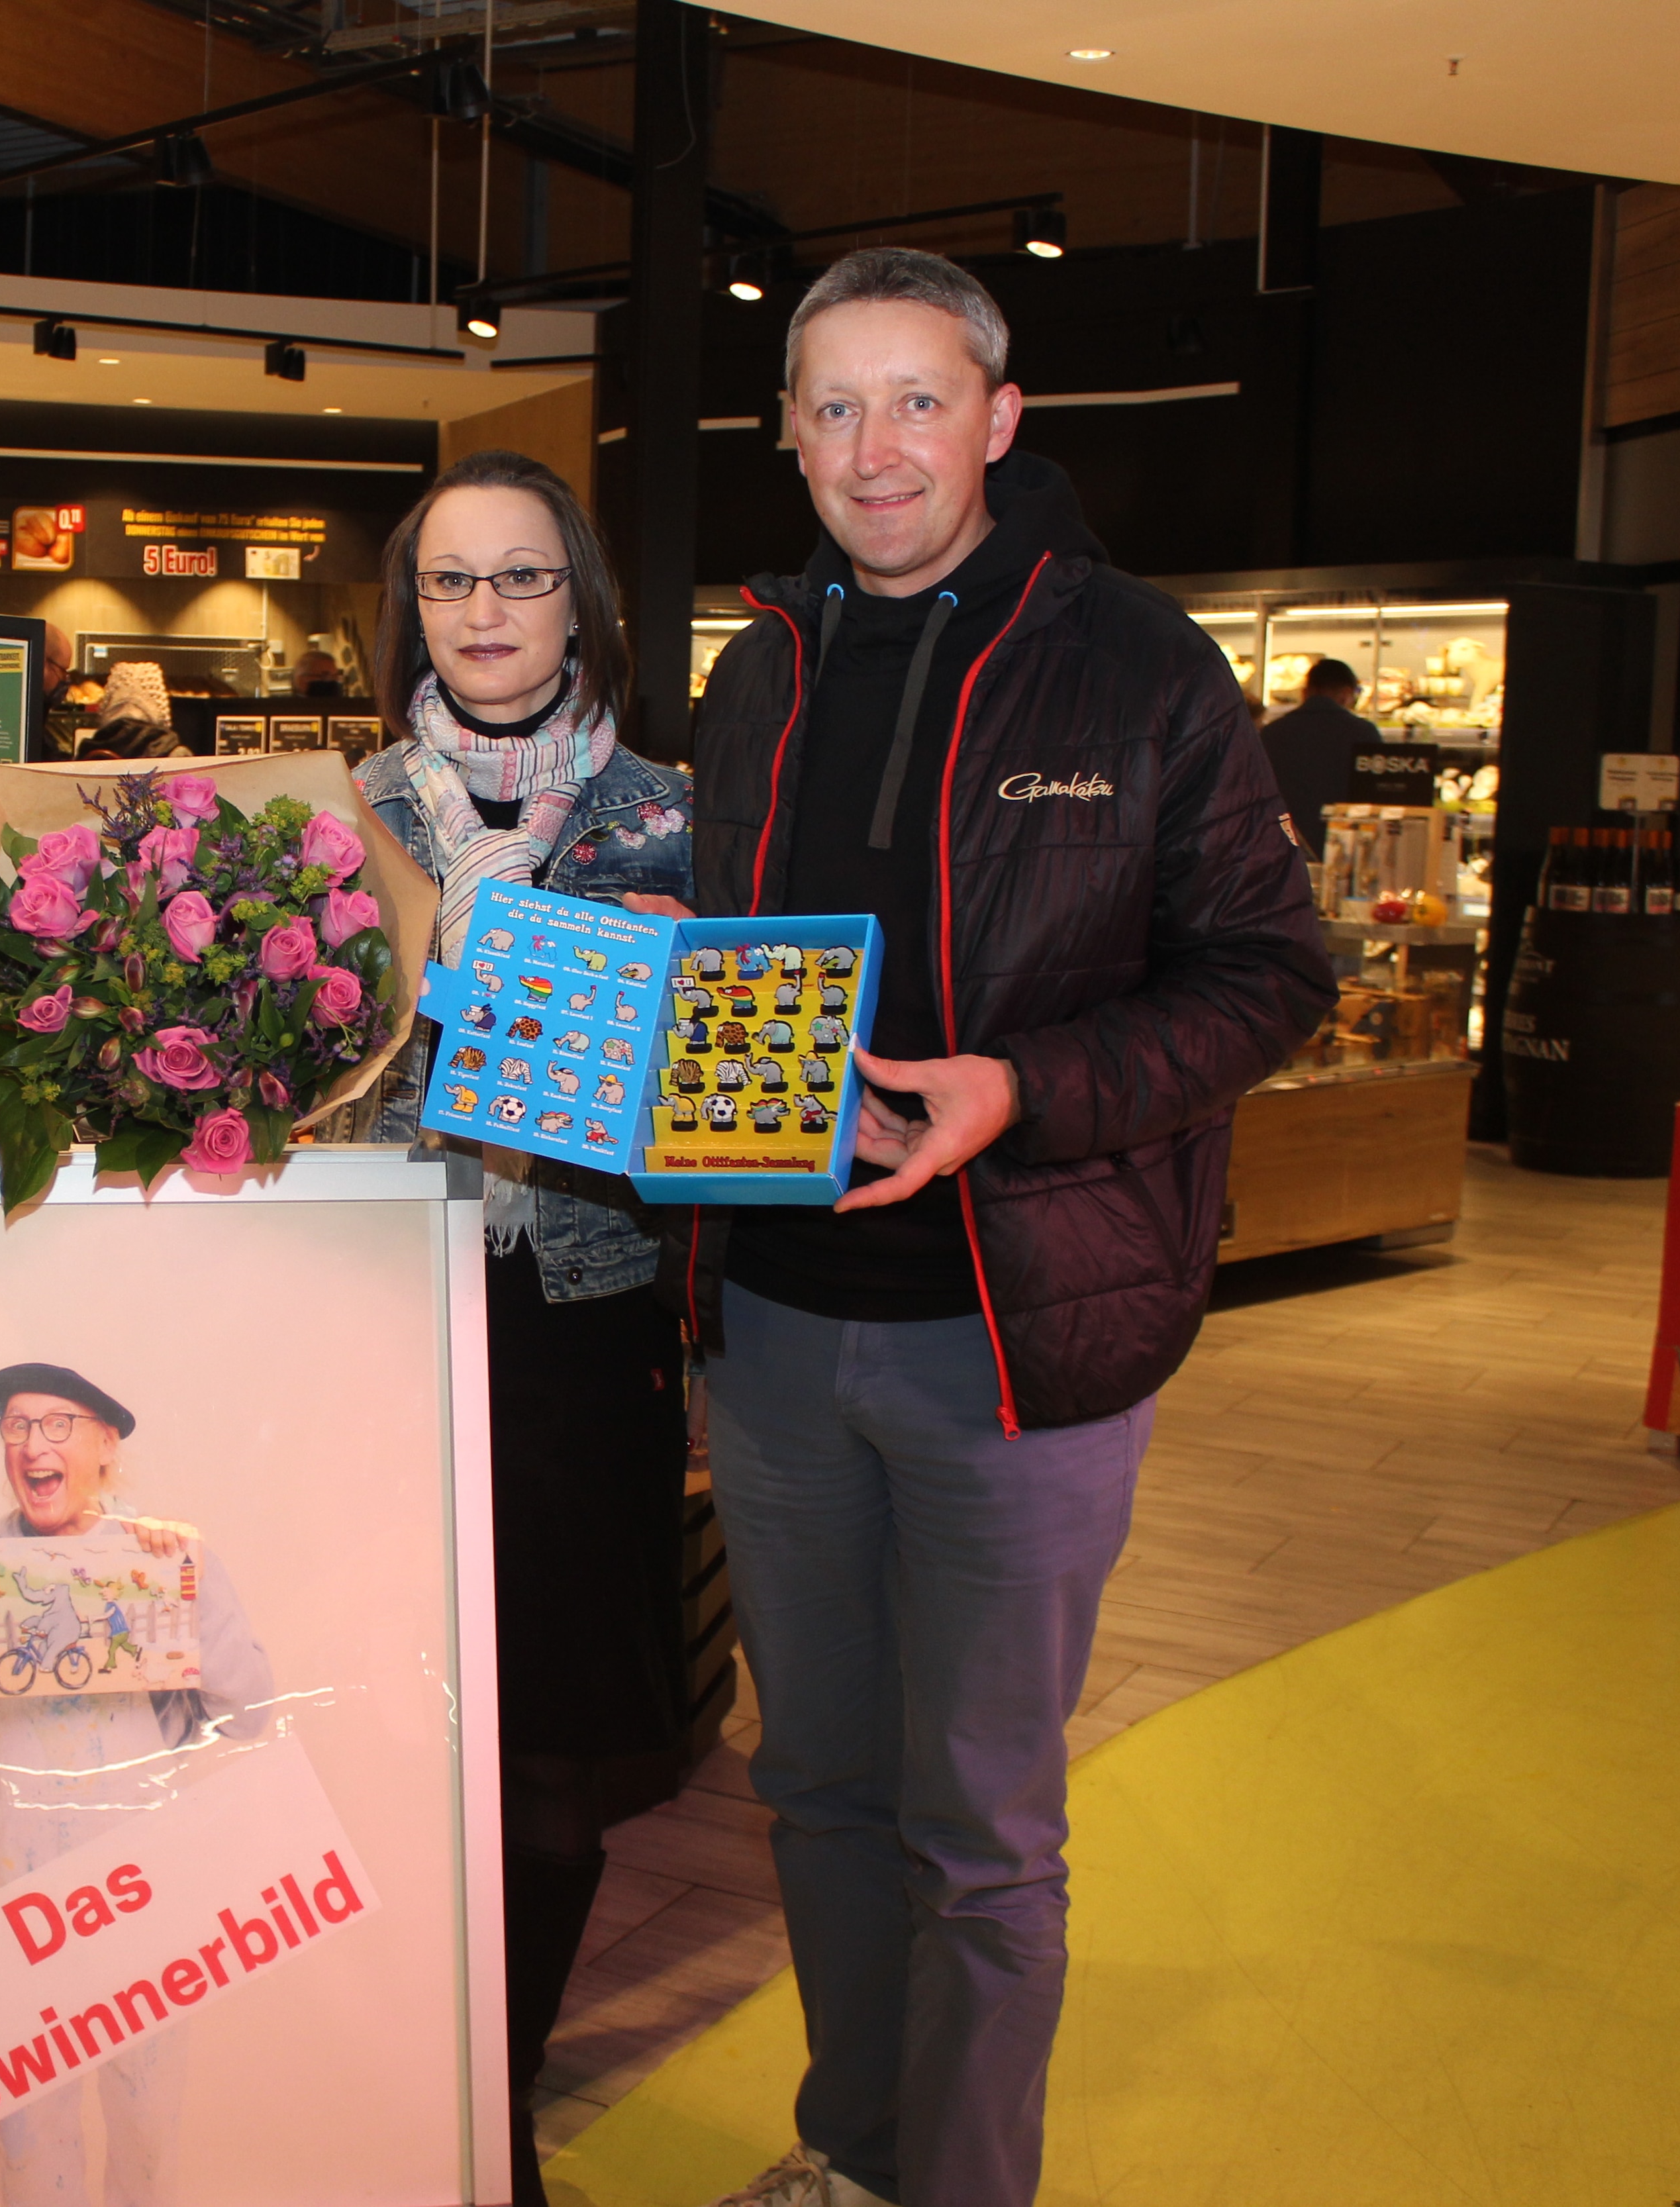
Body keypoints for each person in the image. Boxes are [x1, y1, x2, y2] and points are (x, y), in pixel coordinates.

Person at [670, 250, 1330, 2207]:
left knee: (975, 1830)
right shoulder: (756, 669)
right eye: (833, 408)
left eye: (916, 400)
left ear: (996, 419)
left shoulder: (1132, 662)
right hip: (774, 1324)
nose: (876, 450)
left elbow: (1265, 976)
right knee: (813, 1790)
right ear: (787, 437)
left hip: (1017, 1331)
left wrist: (1014, 1086)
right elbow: (736, 972)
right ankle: (851, 2154)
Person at [355, 447, 697, 2206]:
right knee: (388, 1737)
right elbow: (281, 1108)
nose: (485, 614)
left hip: (578, 1330)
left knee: (553, 1764)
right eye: (451, 581)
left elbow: (710, 1110)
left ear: (582, 601)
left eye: (523, 577)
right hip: (373, 1336)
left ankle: (490, 2114)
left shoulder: (671, 817)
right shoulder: (334, 816)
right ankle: (410, 2094)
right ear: (409, 607)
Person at [0, 1365, 276, 2207]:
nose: (32, 1446)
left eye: (57, 1425)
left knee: (147, 2121)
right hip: (17, 1891)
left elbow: (252, 1712)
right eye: (16, 1427)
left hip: (141, 1890)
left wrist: (183, 1587)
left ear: (105, 1446)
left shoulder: (162, 1556)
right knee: (27, 2126)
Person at [1259, 655, 1371, 854]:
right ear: (1346, 694)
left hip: (1278, 847)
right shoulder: (1364, 733)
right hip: (1343, 848)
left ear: (1306, 692)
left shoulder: (1272, 733)